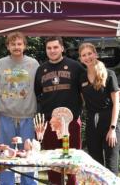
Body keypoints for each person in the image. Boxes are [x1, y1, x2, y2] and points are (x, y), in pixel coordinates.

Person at [34, 36, 85, 185]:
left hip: (71, 122)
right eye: (49, 48)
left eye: (55, 47)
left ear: (62, 48)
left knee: (73, 161)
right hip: (50, 124)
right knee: (53, 162)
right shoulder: (41, 69)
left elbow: (86, 90)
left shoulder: (75, 67)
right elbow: (38, 93)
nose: (52, 51)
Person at [0, 32, 39, 185]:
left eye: (19, 44)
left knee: (28, 157)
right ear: (8, 46)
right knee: (6, 157)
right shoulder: (1, 63)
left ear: (24, 46)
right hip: (6, 117)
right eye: (13, 44)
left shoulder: (33, 64)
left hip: (27, 117)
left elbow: (39, 87)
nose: (16, 47)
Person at [78, 42, 120, 174]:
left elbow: (116, 103)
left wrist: (112, 129)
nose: (87, 57)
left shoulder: (109, 74)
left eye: (90, 53)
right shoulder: (81, 78)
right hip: (92, 124)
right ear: (80, 58)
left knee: (111, 166)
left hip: (109, 123)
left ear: (95, 54)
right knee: (95, 167)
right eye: (84, 55)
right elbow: (83, 101)